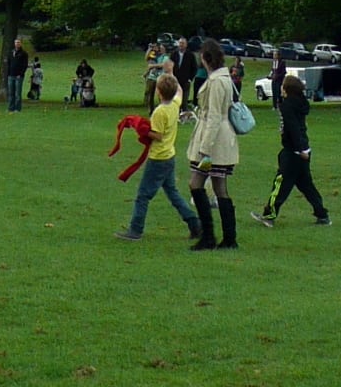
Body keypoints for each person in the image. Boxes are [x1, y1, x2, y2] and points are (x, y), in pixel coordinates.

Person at [116, 72, 200, 243]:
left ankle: (136, 229)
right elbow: (181, 91)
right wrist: (171, 74)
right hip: (169, 156)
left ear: (158, 92)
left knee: (143, 195)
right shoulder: (175, 105)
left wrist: (141, 129)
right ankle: (195, 224)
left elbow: (158, 135)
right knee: (173, 193)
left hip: (158, 158)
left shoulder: (159, 112)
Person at [251, 74, 330, 229]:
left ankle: (269, 215)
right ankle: (322, 214)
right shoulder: (300, 104)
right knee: (306, 186)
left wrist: (299, 149)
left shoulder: (287, 106)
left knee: (280, 185)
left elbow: (293, 128)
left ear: (286, 89)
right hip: (302, 149)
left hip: (294, 152)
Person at [186, 38, 241, 249]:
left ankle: (209, 236)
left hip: (215, 142)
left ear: (205, 57)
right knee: (219, 187)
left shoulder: (217, 81)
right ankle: (228, 237)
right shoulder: (221, 78)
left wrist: (205, 149)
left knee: (196, 184)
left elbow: (215, 116)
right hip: (219, 139)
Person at [7, 37, 29, 113]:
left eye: (18, 42)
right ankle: (10, 108)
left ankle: (17, 108)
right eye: (16, 42)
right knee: (11, 93)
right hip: (11, 75)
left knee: (17, 94)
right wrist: (8, 73)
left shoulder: (24, 54)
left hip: (18, 76)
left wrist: (21, 74)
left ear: (21, 43)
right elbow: (8, 63)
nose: (17, 44)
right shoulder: (11, 52)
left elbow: (25, 65)